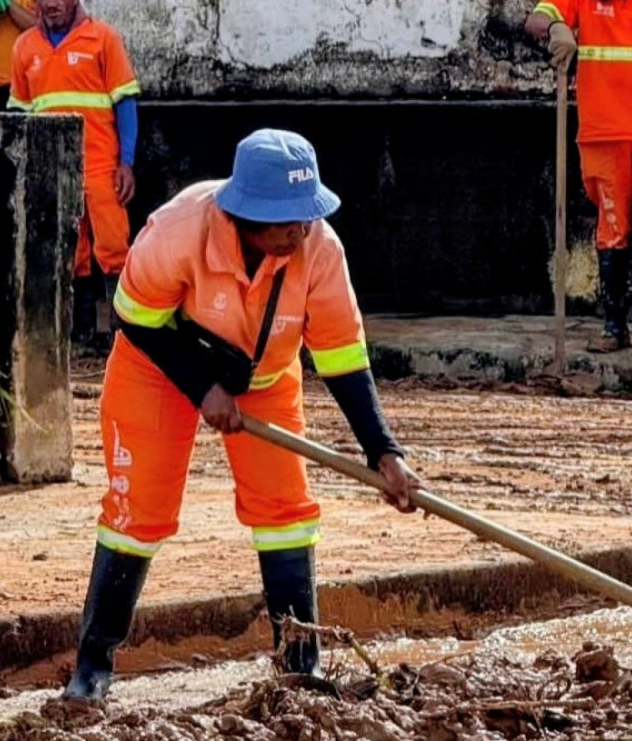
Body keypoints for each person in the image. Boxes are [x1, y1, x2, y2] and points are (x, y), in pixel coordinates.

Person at [63, 129, 423, 701]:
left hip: (265, 376)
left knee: (286, 510)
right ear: (244, 215)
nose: (297, 230)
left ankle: (298, 669)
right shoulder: (181, 231)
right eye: (283, 221)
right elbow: (132, 315)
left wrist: (384, 451)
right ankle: (92, 670)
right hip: (157, 365)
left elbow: (343, 359)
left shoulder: (319, 250)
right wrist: (201, 386)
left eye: (304, 217)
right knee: (140, 510)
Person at [525, 0, 632, 355]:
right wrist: (555, 29)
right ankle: (614, 325)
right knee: (611, 228)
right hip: (602, 131)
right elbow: (536, 18)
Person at [9, 0, 141, 349]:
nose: (51, 4)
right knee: (70, 253)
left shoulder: (103, 39)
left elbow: (125, 103)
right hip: (53, 170)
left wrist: (126, 163)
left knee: (113, 247)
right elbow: (18, 117)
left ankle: (120, 333)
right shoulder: (24, 48)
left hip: (101, 166)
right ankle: (78, 333)